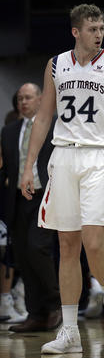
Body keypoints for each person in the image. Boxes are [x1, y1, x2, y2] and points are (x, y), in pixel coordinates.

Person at [20, 4, 104, 354]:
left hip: (100, 156)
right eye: (92, 28)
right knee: (67, 246)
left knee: (93, 242)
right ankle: (69, 330)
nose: (99, 33)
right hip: (64, 155)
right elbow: (44, 117)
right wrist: (29, 165)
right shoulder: (56, 64)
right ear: (76, 31)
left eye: (102, 27)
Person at [0, 83, 61, 332]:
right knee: (24, 257)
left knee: (38, 248)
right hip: (17, 199)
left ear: (40, 100)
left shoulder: (55, 125)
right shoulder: (9, 131)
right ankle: (36, 314)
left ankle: (56, 304)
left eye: (28, 97)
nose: (23, 102)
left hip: (44, 195)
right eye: (19, 98)